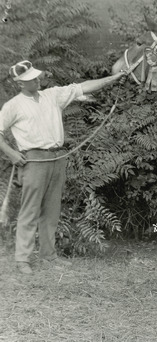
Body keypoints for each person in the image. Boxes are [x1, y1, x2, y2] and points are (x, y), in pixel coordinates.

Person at [0, 60, 125, 274]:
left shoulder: (52, 95)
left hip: (57, 158)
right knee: (30, 210)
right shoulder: (13, 105)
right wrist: (11, 154)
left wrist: (113, 79)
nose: (37, 80)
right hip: (34, 160)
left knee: (52, 210)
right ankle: (23, 259)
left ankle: (49, 255)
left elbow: (83, 87)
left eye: (37, 77)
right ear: (20, 84)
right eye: (31, 79)